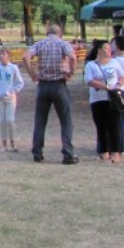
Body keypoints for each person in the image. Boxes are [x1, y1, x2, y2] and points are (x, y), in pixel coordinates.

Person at [22, 24, 80, 165]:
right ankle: (67, 153)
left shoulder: (40, 43)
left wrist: (32, 73)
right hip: (59, 84)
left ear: (47, 32)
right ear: (60, 33)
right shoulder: (63, 44)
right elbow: (72, 57)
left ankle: (37, 152)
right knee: (66, 120)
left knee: (40, 120)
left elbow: (26, 57)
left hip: (43, 85)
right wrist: (71, 72)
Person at [84, 39, 124, 163]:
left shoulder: (115, 63)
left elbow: (123, 77)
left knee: (115, 125)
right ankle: (103, 151)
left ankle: (116, 152)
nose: (109, 51)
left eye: (109, 49)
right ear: (99, 50)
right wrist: (103, 86)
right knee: (101, 126)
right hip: (98, 99)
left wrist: (118, 84)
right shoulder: (91, 65)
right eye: (106, 49)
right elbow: (89, 80)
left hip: (112, 98)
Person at [0, 48, 24, 152]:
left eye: (3, 54)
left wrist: (13, 91)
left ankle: (12, 141)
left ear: (8, 56)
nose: (1, 56)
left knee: (10, 120)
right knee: (2, 120)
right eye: (0, 54)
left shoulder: (13, 68)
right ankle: (4, 143)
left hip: (10, 98)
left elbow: (20, 82)